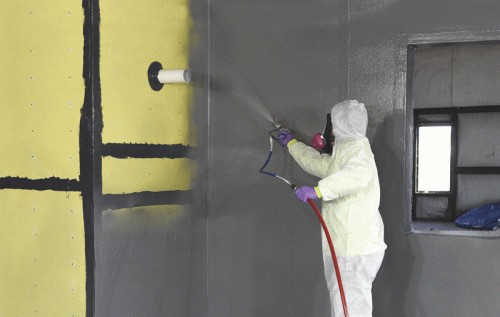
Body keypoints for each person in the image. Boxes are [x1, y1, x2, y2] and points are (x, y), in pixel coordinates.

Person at [278, 100, 386, 317]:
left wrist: (318, 191)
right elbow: (320, 164)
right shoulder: (348, 150)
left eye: (335, 123)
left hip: (352, 249)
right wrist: (292, 145)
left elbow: (355, 177)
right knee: (347, 307)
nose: (332, 130)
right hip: (348, 247)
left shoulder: (358, 151)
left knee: (350, 311)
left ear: (344, 124)